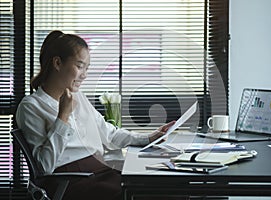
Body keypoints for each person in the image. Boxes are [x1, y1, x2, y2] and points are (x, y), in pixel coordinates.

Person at [15, 30, 178, 200]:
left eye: (87, 68)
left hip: (101, 171)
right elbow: (44, 167)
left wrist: (148, 138)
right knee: (149, 193)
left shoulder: (78, 96)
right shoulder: (31, 107)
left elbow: (108, 133)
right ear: (57, 63)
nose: (84, 75)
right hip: (74, 181)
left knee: (164, 183)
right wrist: (63, 117)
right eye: (79, 66)